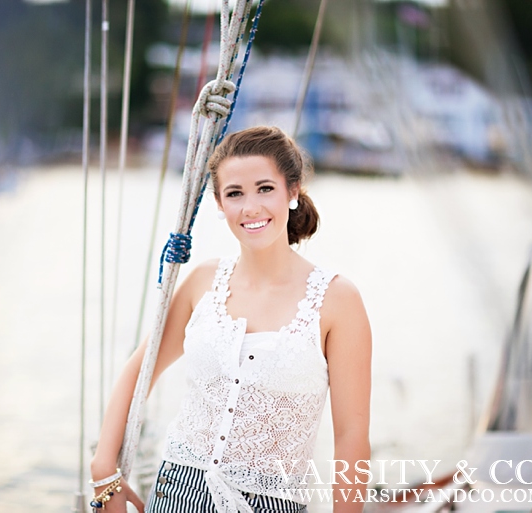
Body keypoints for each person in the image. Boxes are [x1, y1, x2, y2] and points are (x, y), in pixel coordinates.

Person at [89, 126, 372, 513]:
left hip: (274, 503)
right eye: (235, 194)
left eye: (265, 188)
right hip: (177, 493)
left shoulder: (338, 300)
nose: (250, 207)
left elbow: (352, 438)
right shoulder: (203, 281)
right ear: (220, 204)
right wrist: (104, 471)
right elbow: (140, 368)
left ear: (293, 191)